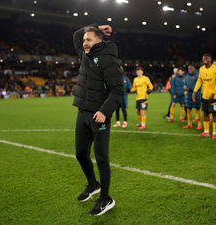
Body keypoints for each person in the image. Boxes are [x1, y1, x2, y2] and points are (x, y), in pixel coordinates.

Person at [73, 24, 124, 215]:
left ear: (99, 41)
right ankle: (93, 184)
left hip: (99, 115)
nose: (84, 43)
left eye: (89, 40)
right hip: (82, 112)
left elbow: (118, 90)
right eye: (85, 40)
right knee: (80, 154)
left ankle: (106, 198)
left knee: (101, 157)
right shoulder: (85, 55)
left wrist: (104, 111)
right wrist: (95, 26)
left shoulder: (108, 60)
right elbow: (76, 35)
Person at [192, 53, 216, 139]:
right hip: (205, 96)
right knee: (205, 113)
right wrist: (194, 91)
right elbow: (199, 80)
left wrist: (214, 92)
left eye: (207, 58)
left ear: (210, 59)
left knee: (215, 114)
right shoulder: (201, 69)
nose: (205, 60)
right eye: (203, 58)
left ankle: (215, 133)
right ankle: (206, 131)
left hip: (215, 97)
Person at [183, 65, 202, 130]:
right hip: (188, 94)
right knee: (188, 109)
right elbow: (185, 83)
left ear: (194, 68)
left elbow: (199, 86)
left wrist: (190, 88)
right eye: (188, 68)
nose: (189, 70)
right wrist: (184, 87)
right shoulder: (187, 75)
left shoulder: (198, 75)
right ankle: (189, 124)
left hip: (196, 94)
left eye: (191, 68)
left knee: (197, 109)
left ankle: (199, 124)